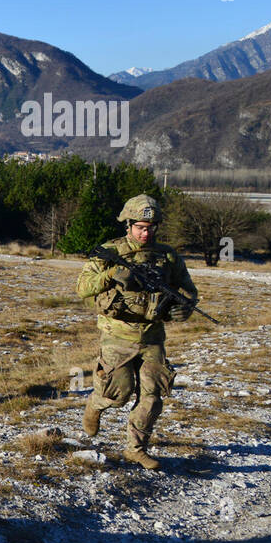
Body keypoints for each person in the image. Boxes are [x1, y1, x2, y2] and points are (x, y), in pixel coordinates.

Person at [77, 194, 197, 470]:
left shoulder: (167, 256)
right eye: (141, 227)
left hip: (153, 336)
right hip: (118, 334)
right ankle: (95, 405)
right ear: (128, 224)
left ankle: (136, 449)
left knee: (152, 397)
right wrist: (110, 275)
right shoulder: (109, 253)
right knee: (118, 393)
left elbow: (189, 290)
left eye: (151, 227)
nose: (146, 233)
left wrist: (186, 307)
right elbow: (83, 288)